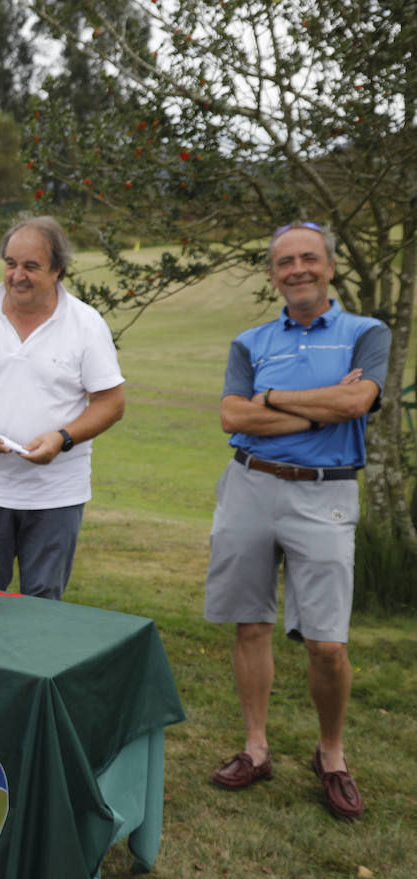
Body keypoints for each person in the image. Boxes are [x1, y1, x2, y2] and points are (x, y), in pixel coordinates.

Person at [204, 220, 389, 822]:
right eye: (285, 262)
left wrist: (276, 399)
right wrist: (319, 410)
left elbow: (357, 402)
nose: (297, 269)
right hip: (249, 484)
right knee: (250, 624)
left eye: (309, 259)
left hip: (324, 494)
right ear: (272, 274)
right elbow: (232, 414)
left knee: (327, 643)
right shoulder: (249, 341)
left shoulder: (367, 333)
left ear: (330, 266)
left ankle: (331, 755)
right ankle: (256, 749)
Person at [0, 216, 125, 600]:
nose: (17, 276)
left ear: (58, 270)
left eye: (31, 266)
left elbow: (111, 403)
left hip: (57, 495)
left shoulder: (85, 323)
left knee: (43, 602)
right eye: (11, 264)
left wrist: (63, 438)